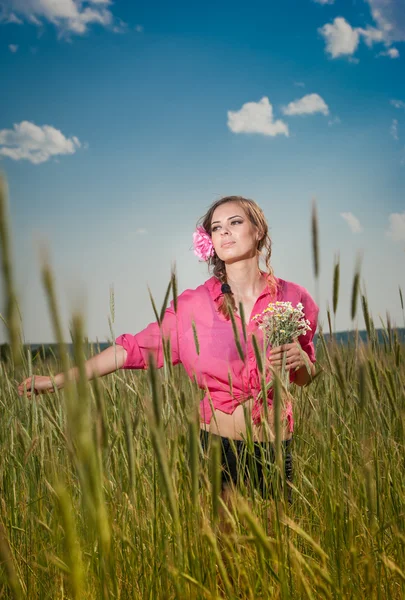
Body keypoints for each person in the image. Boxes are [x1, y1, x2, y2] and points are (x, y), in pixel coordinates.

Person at [17, 195, 319, 504]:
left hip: (274, 446)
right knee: (223, 549)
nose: (225, 232)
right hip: (217, 447)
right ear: (211, 242)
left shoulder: (293, 297)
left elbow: (306, 375)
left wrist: (303, 364)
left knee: (275, 546)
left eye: (235, 222)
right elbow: (131, 349)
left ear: (258, 231)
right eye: (216, 228)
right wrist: (56, 380)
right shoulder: (193, 305)